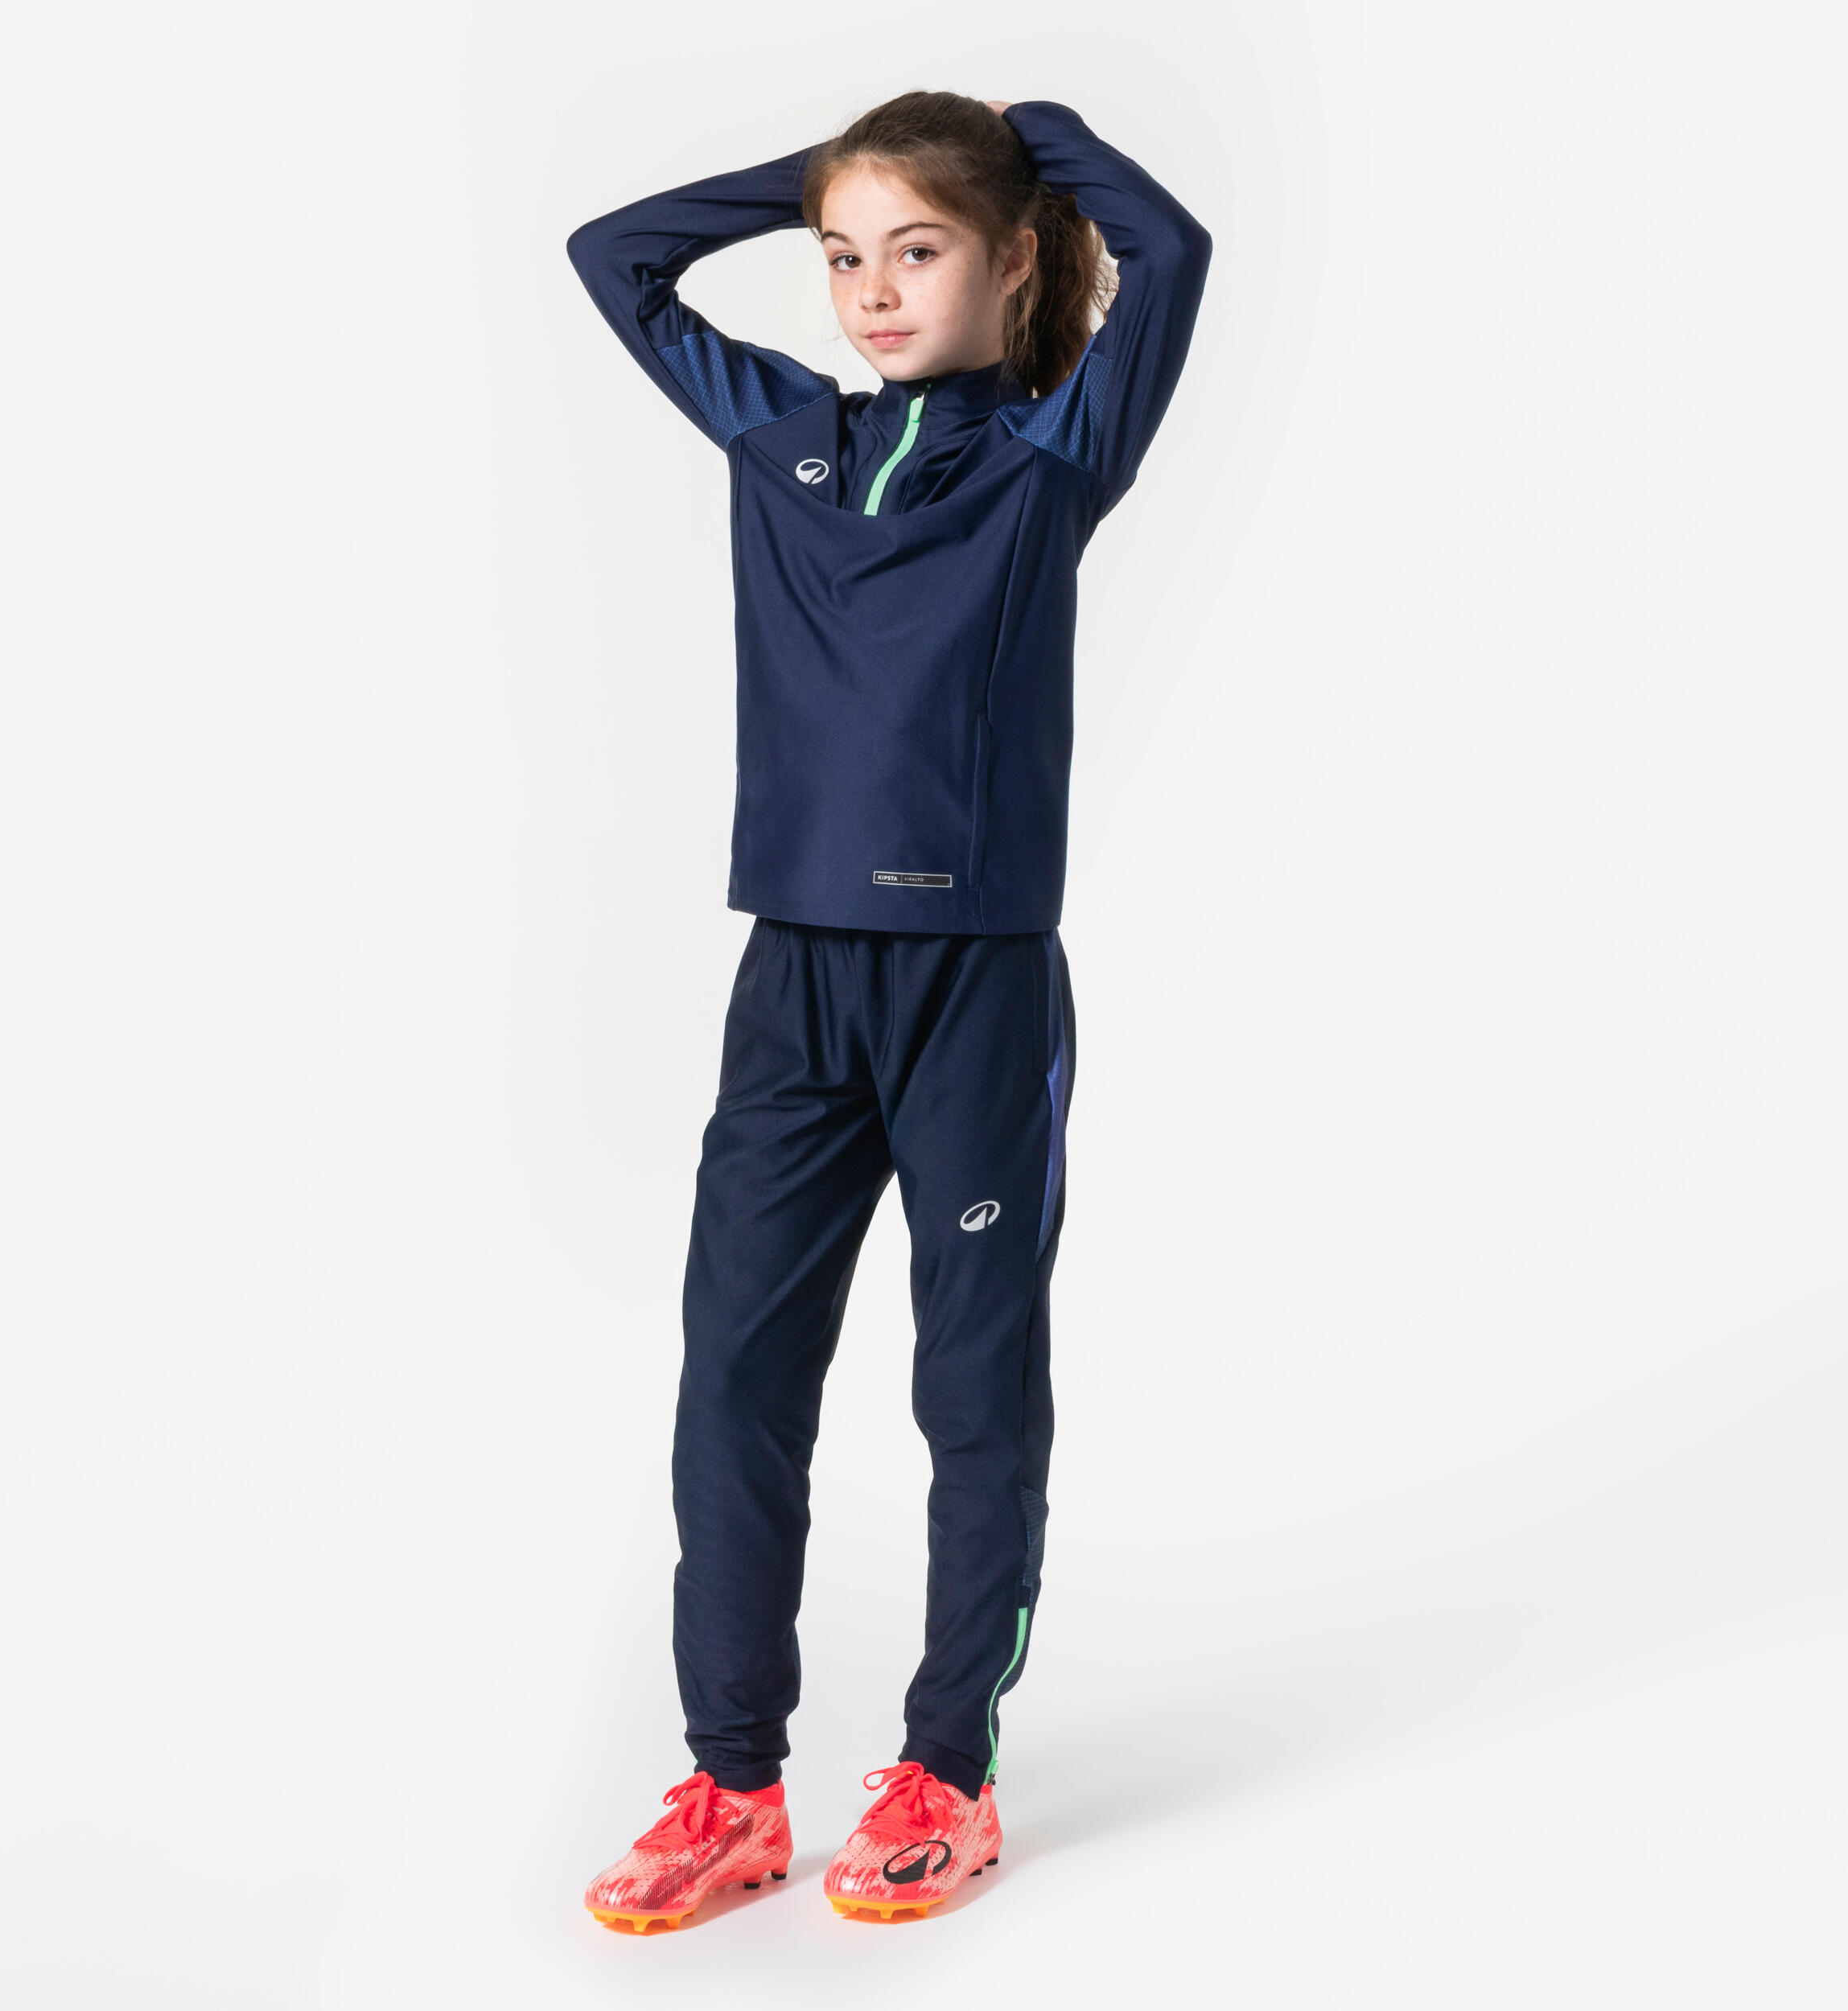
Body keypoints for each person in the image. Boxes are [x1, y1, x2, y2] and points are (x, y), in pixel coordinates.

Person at [566, 91, 1212, 1931]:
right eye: (842, 255)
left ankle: (946, 1770)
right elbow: (612, 257)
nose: (866, 287)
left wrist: (1032, 140)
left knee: (970, 1387)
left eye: (914, 250)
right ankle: (730, 1784)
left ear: (1008, 262)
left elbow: (1169, 249)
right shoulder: (778, 432)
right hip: (790, 981)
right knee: (734, 1382)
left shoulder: (1051, 452)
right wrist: (814, 180)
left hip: (971, 987)